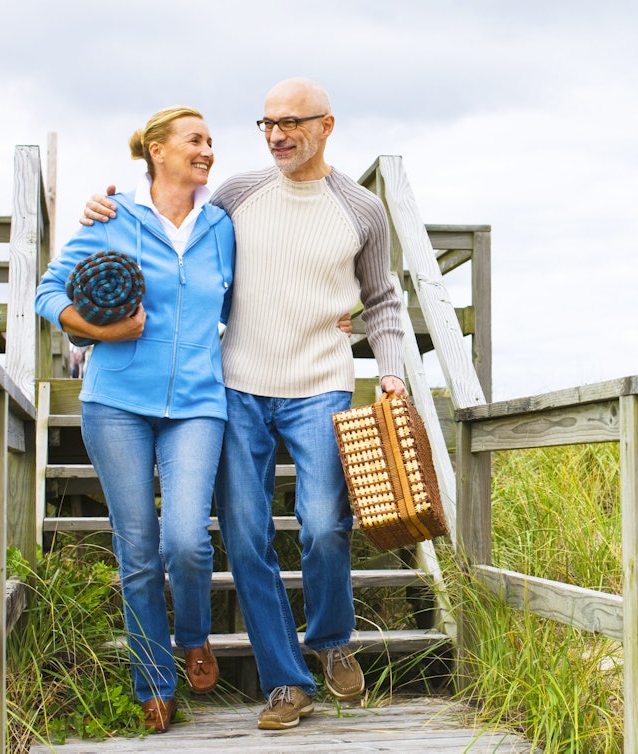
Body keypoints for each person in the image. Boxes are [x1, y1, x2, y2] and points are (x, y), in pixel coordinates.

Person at [83, 78, 407, 731]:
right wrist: (106, 205)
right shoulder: (236, 194)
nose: (277, 135)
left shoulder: (363, 209)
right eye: (266, 124)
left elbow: (384, 299)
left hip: (321, 382)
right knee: (247, 536)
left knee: (320, 524)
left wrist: (391, 367)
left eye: (291, 122)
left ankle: (332, 638)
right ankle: (287, 682)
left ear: (327, 125)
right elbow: (173, 218)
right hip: (237, 385)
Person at [39, 107, 234, 733]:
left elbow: (257, 293)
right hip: (116, 402)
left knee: (185, 539)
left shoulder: (222, 226)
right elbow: (49, 292)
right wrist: (97, 328)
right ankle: (153, 677)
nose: (207, 149)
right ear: (155, 149)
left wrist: (336, 314)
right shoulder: (113, 215)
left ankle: (195, 633)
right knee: (139, 550)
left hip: (199, 403)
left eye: (210, 141)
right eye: (194, 140)